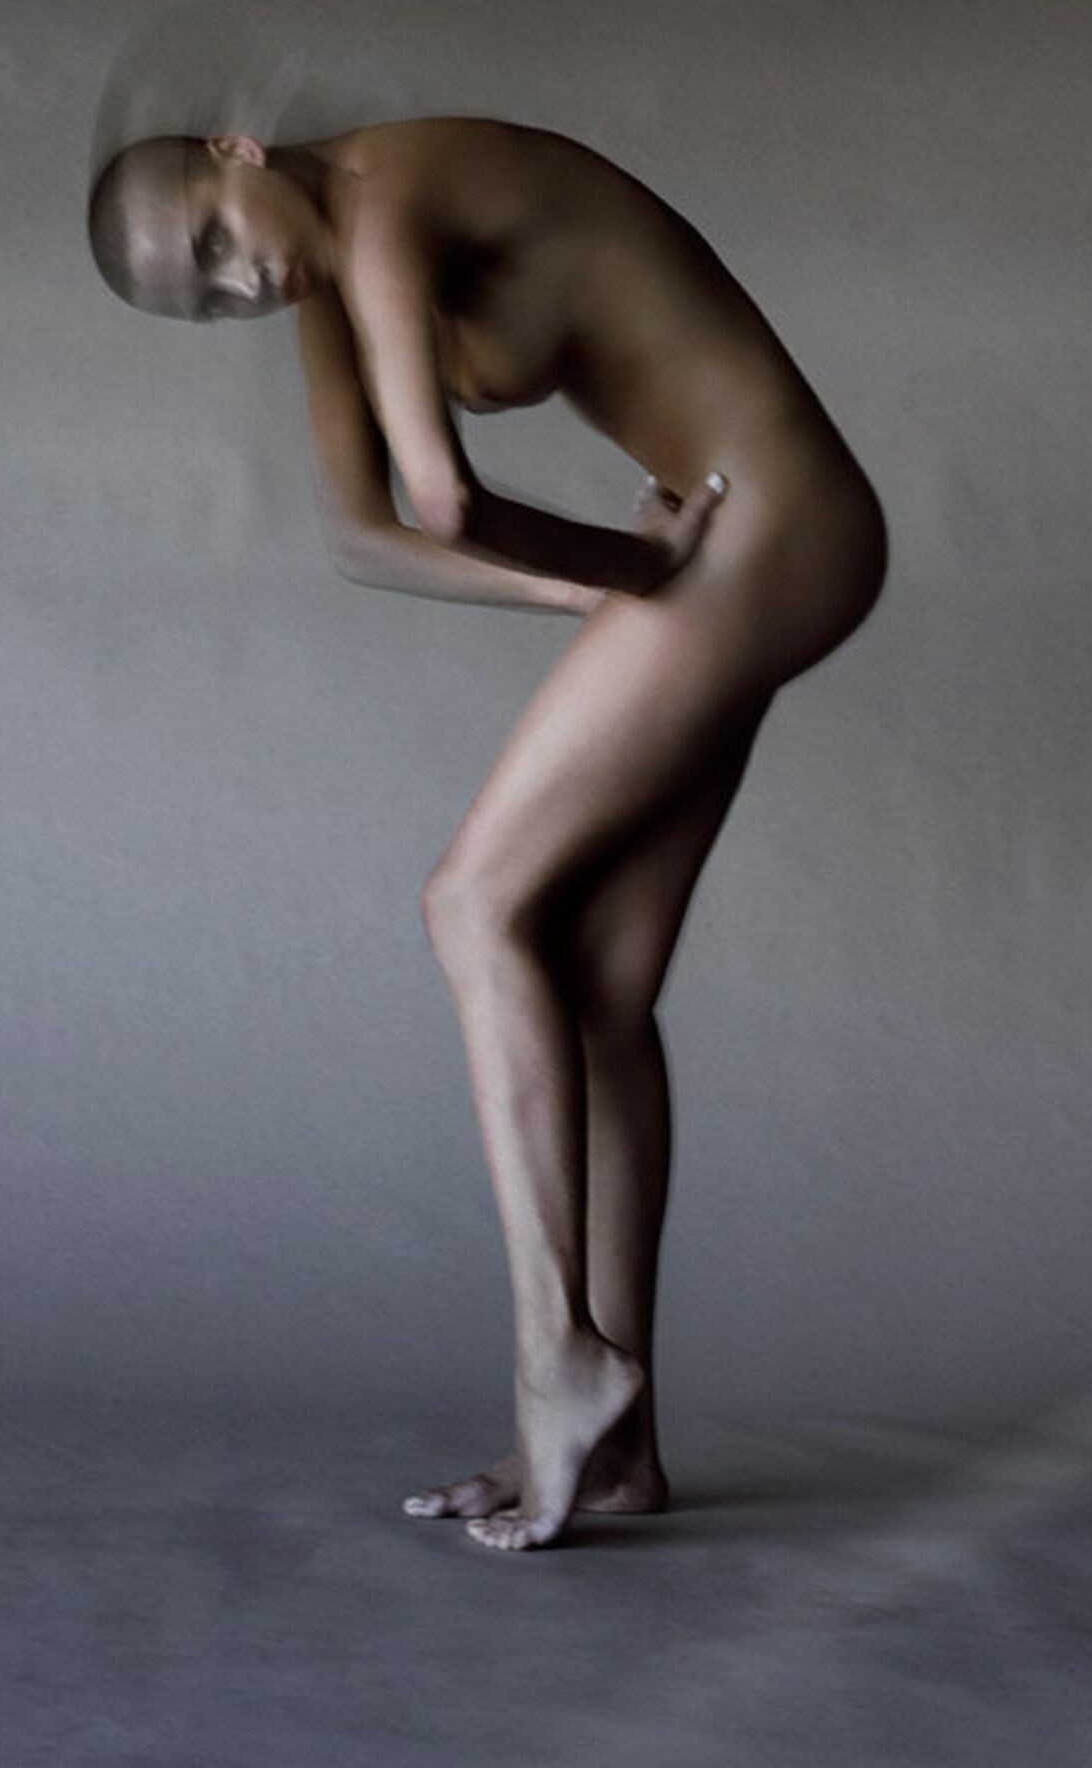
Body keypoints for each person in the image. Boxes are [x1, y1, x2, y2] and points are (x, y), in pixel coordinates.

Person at [87, 115, 889, 1552]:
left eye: (215, 239)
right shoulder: (325, 271)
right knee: (596, 990)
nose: (238, 284)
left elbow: (443, 495)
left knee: (471, 905)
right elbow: (363, 532)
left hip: (774, 517)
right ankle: (622, 1449)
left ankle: (556, 1358)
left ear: (239, 148)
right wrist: (584, 592)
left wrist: (632, 569)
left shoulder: (385, 193)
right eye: (203, 299)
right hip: (741, 541)